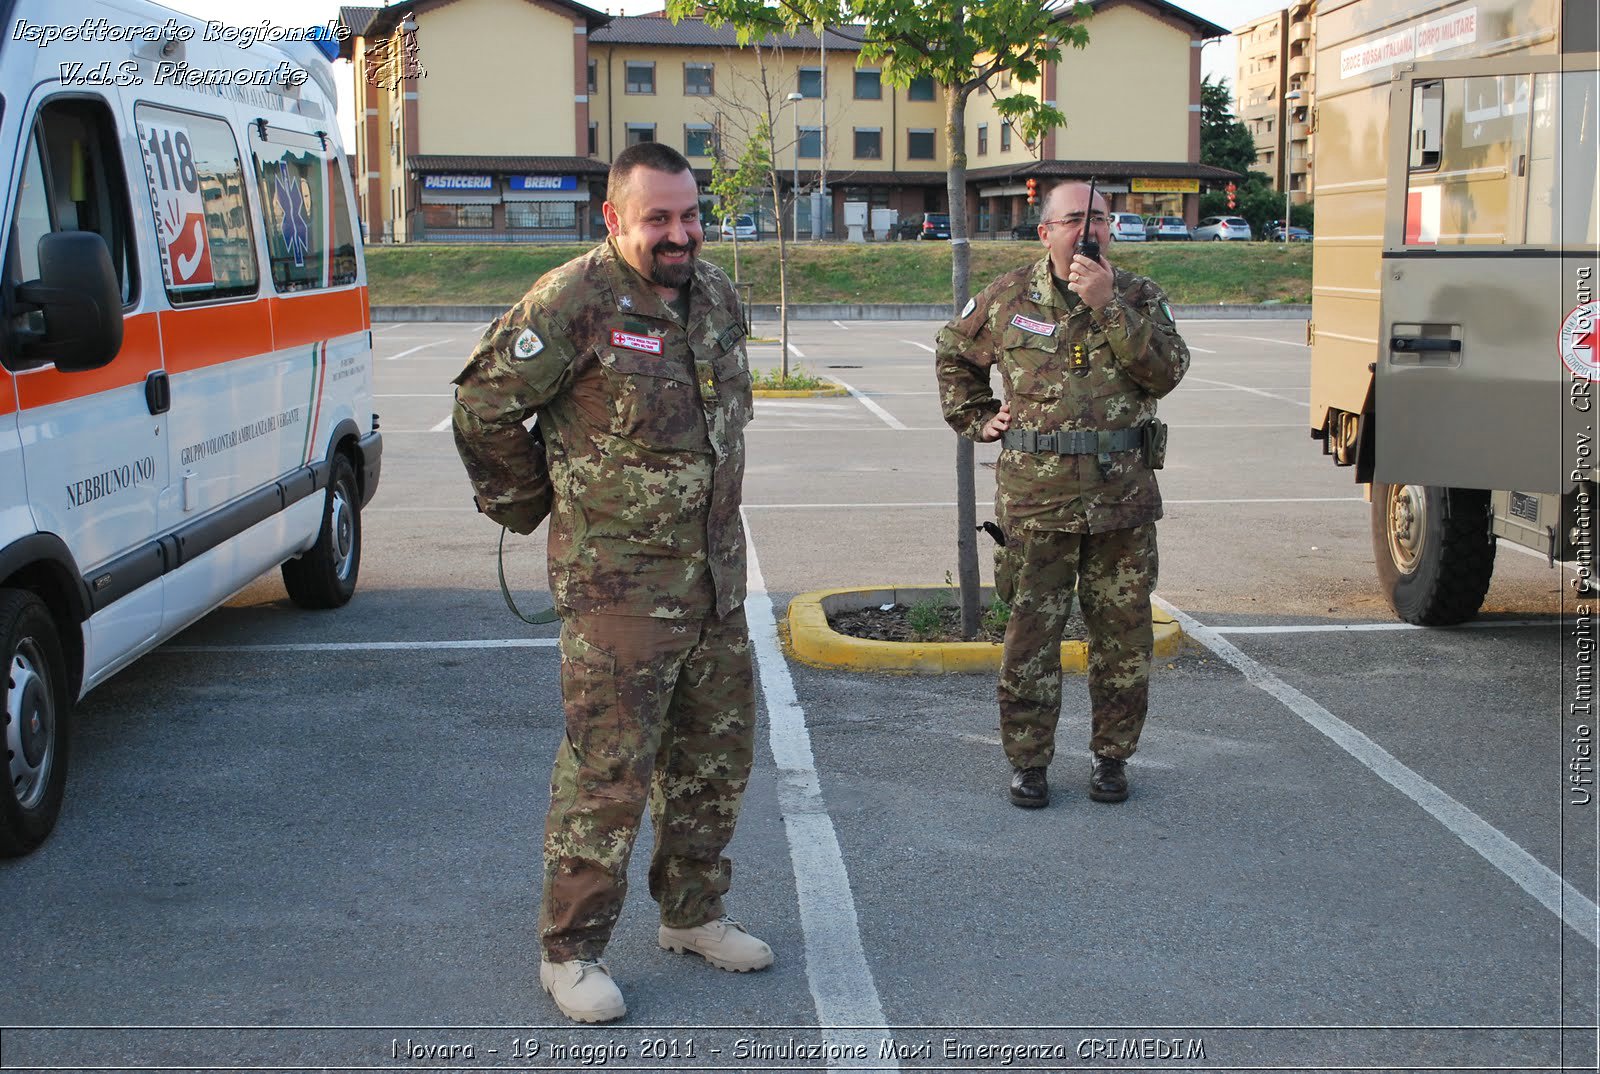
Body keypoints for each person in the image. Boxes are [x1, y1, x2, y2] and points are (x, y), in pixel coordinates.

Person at [451, 143, 771, 1024]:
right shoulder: (573, 302)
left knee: (713, 764)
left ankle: (693, 915)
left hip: (716, 585)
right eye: (658, 218)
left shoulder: (715, 295)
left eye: (690, 214)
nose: (680, 233)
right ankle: (572, 951)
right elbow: (483, 405)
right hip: (618, 594)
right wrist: (531, 504)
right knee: (609, 777)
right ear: (614, 219)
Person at [934, 181, 1190, 809]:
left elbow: (1167, 370)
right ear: (1044, 230)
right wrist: (975, 415)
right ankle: (1028, 763)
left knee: (1122, 639)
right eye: (1072, 218)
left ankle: (1111, 758)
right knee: (1030, 637)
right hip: (1035, 500)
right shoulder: (1007, 297)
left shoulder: (1138, 296)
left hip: (1121, 501)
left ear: (1112, 228)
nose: (1086, 228)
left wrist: (1107, 306)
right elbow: (953, 353)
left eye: (1098, 217)